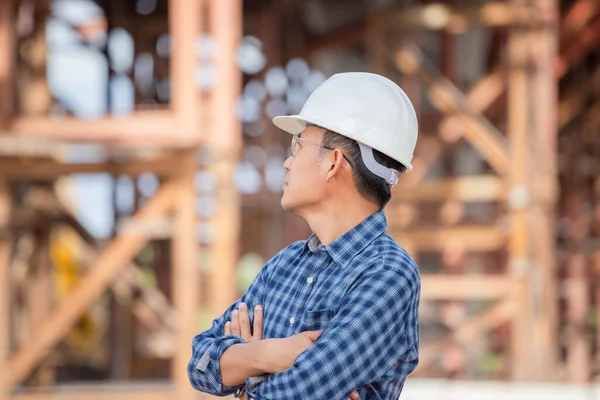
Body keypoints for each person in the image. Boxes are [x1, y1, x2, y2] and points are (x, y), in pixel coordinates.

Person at [187, 72, 420, 400]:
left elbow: (298, 394)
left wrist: (244, 376)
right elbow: (200, 363)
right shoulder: (285, 266)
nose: (286, 163)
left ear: (333, 163)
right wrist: (268, 355)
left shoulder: (387, 274)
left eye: (298, 146)